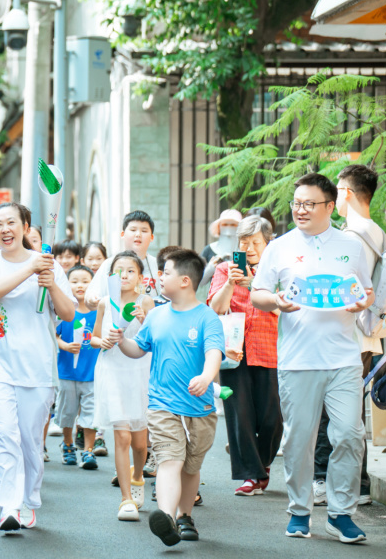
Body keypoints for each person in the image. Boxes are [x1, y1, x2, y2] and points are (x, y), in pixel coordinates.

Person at [251, 173, 374, 544]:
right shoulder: (280, 247)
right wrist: (276, 301)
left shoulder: (351, 246)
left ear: (330, 206)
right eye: (296, 203)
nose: (300, 210)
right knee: (300, 439)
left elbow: (365, 290)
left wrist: (362, 302)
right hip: (298, 359)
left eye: (309, 203)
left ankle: (340, 513)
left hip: (344, 358)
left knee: (350, 435)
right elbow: (258, 292)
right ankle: (300, 511)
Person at [0, 202, 76, 531]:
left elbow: (68, 313)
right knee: (2, 435)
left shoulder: (49, 266)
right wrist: (31, 269)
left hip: (39, 366)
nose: (4, 229)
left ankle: (28, 499)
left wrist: (50, 281)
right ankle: (9, 504)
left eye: (11, 222)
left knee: (30, 440)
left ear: (26, 226)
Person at [109, 249, 226, 547]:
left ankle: (184, 515)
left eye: (167, 272)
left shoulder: (207, 317)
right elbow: (139, 349)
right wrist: (122, 340)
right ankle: (166, 516)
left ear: (185, 280)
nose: (160, 277)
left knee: (191, 465)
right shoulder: (157, 315)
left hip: (199, 407)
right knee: (169, 460)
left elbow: (214, 352)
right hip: (161, 404)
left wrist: (206, 376)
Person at [313, 165, 385, 507]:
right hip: (368, 334)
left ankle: (326, 478)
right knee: (351, 410)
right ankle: (360, 482)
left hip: (347, 333)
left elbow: (343, 287)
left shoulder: (350, 236)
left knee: (334, 409)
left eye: (338, 191)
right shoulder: (378, 233)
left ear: (347, 194)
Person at [207, 215, 281, 496]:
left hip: (271, 350)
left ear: (268, 243)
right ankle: (252, 475)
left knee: (273, 417)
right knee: (240, 415)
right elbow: (215, 307)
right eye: (243, 242)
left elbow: (282, 308)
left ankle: (263, 463)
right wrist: (230, 283)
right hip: (233, 352)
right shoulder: (225, 269)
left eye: (255, 242)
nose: (249, 248)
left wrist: (252, 285)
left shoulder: (276, 272)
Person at [94, 251, 156, 522]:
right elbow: (94, 338)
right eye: (119, 271)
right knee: (122, 437)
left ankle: (138, 477)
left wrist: (144, 321)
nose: (124, 276)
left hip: (140, 372)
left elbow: (156, 338)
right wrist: (102, 341)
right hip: (112, 370)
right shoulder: (105, 303)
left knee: (140, 443)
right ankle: (125, 498)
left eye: (130, 271)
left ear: (140, 277)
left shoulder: (147, 302)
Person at [55, 265, 99, 468]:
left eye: (85, 281)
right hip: (66, 373)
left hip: (92, 373)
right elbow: (53, 335)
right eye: (74, 281)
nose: (80, 285)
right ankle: (68, 444)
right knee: (67, 412)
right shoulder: (63, 311)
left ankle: (88, 451)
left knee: (91, 414)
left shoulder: (99, 312)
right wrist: (64, 345)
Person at [85, 211, 161, 311]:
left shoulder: (158, 265)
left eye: (144, 231)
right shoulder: (109, 264)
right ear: (122, 234)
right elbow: (91, 296)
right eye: (133, 230)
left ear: (151, 237)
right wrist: (92, 300)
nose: (138, 234)